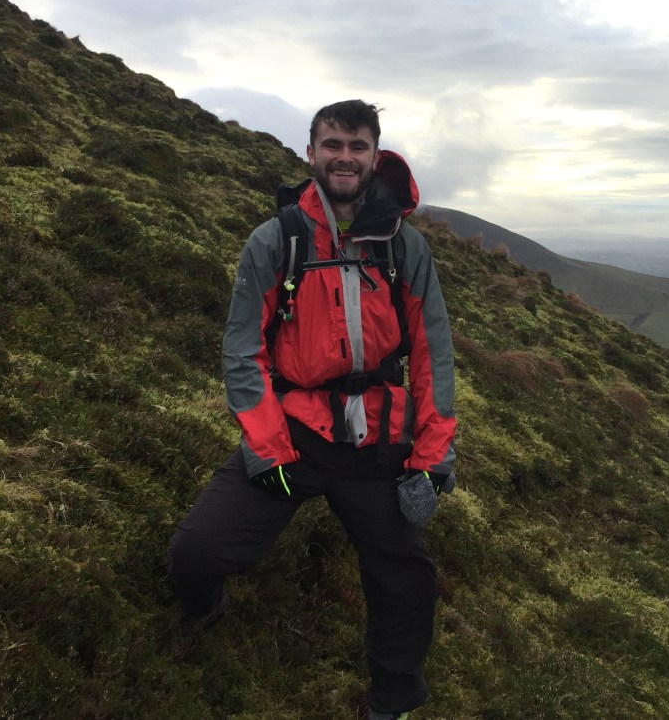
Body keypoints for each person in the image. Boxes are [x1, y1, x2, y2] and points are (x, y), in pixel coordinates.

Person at [167, 99, 457, 720]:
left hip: (379, 441)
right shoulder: (275, 241)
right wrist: (268, 449)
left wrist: (432, 458)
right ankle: (205, 609)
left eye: (357, 147)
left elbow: (433, 356)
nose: (344, 158)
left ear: (374, 155)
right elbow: (242, 352)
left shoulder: (405, 248)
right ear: (310, 154)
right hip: (295, 435)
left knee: (407, 581)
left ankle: (392, 703)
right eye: (332, 145)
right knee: (195, 553)